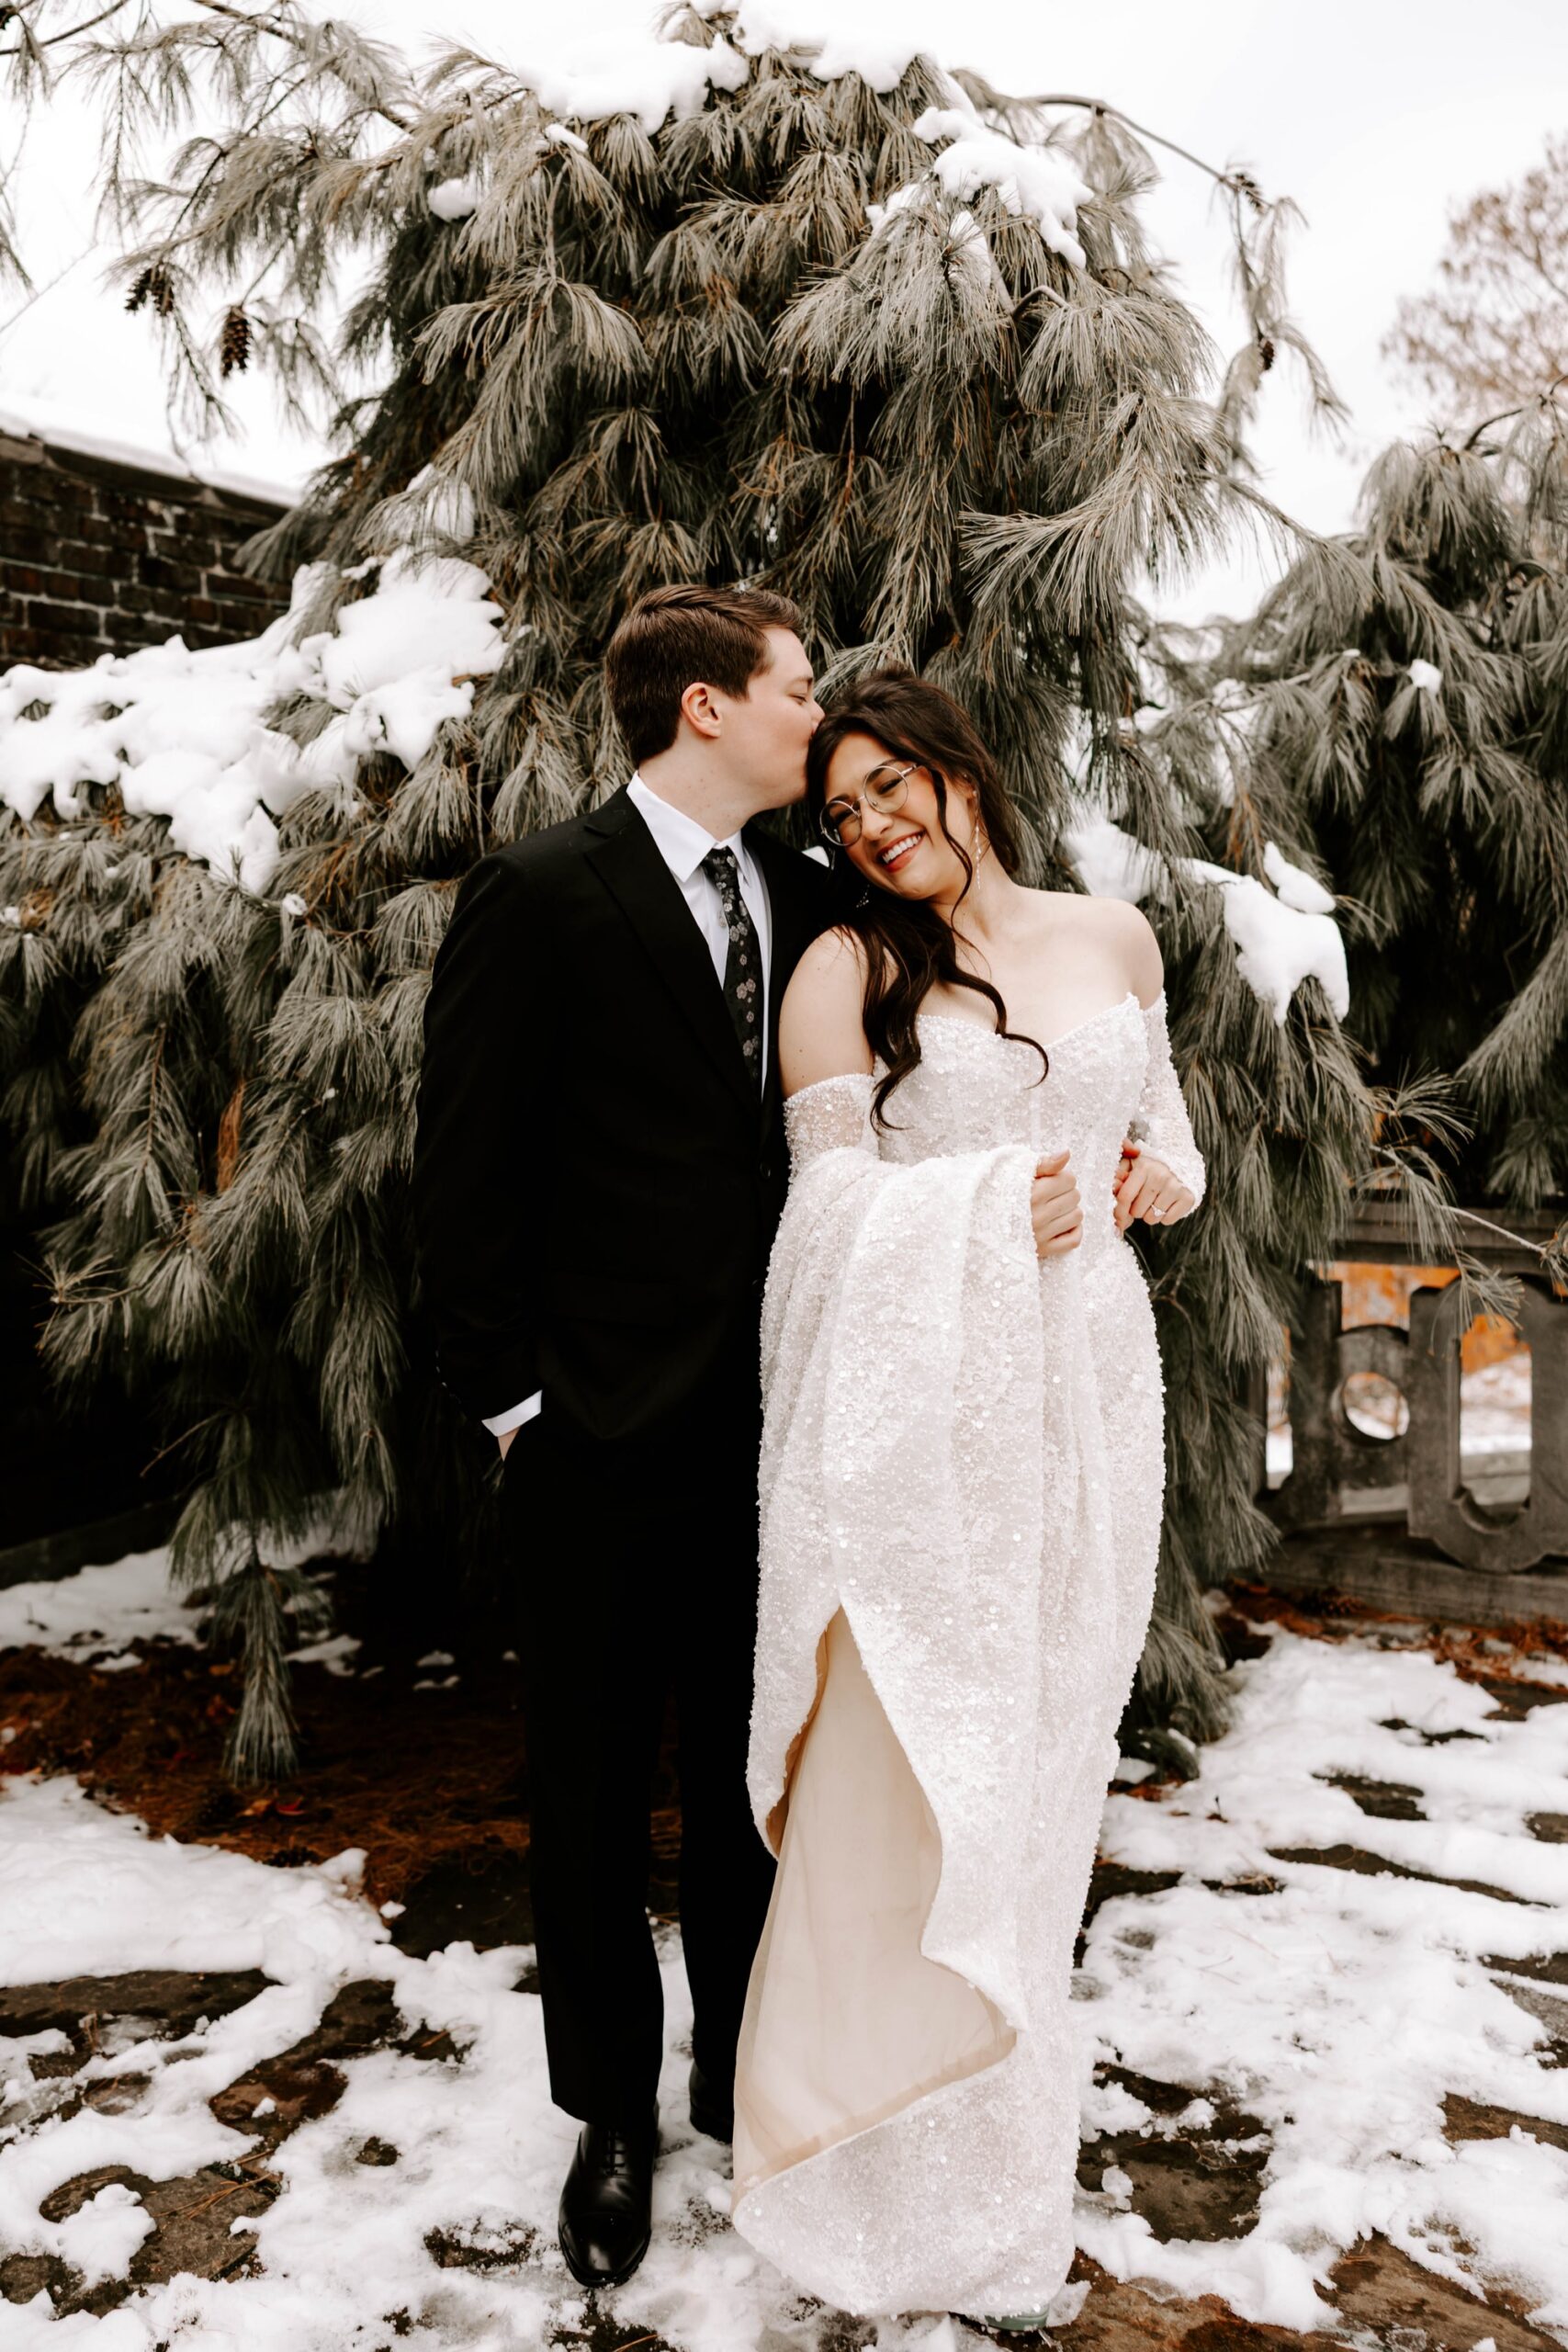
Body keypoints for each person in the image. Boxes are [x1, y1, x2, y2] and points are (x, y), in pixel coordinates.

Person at [729, 667, 1206, 2326]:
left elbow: (1168, 1134)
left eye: (891, 789)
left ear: (960, 773)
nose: (870, 828)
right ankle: (858, 2177)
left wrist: (1159, 1178)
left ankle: (1002, 2184)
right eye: (841, 812)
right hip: (923, 1433)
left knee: (1046, 1778)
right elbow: (817, 1222)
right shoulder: (847, 969)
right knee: (914, 1776)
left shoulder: (1114, 937)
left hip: (1090, 1400)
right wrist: (993, 1208)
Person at [411, 584, 834, 2290]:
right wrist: (517, 1409)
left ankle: (741, 2075)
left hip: (778, 1436)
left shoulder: (811, 893)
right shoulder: (539, 894)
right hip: (589, 1438)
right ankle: (608, 2113)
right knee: (587, 1795)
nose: (820, 716)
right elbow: (465, 1174)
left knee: (751, 1780)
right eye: (799, 688)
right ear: (706, 706)